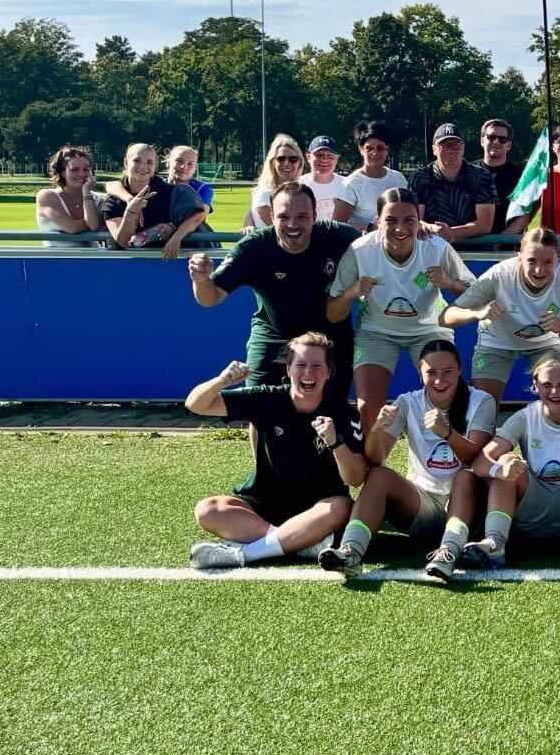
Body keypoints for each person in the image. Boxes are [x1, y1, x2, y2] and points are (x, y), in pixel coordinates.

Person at [183, 333, 366, 570]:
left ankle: (246, 554)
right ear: (288, 369)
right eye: (300, 365)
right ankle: (300, 543)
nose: (308, 373)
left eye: (317, 366)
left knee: (341, 507)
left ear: (329, 372)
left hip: (317, 509)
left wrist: (335, 442)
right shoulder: (267, 398)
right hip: (264, 506)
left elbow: (356, 478)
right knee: (207, 510)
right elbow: (195, 404)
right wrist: (221, 380)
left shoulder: (343, 412)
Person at [319, 341, 496, 583]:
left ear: (460, 370)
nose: (439, 380)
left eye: (447, 372)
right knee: (378, 476)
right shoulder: (407, 402)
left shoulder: (482, 401)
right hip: (421, 504)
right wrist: (378, 429)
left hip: (468, 507)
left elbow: (476, 458)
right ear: (420, 374)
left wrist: (447, 433)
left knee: (466, 476)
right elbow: (376, 460)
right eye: (431, 373)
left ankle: (449, 552)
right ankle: (351, 551)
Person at [188, 181, 360, 395]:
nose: (293, 225)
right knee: (258, 403)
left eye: (302, 217)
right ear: (271, 217)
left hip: (328, 336)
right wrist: (201, 279)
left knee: (332, 408)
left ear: (315, 216)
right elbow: (210, 298)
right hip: (273, 332)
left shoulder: (340, 237)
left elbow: (380, 247)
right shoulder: (254, 248)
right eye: (284, 217)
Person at [325, 189, 476, 429]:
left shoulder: (436, 248)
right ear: (378, 222)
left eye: (409, 220)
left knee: (446, 402)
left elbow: (475, 297)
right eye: (391, 220)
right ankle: (373, 465)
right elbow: (333, 313)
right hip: (376, 331)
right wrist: (352, 292)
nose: (400, 229)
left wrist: (450, 283)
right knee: (367, 408)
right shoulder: (360, 250)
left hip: (429, 329)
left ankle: (446, 464)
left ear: (419, 222)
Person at [462, 353, 560, 577]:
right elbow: (481, 462)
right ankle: (495, 542)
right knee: (506, 461)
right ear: (535, 386)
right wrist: (500, 470)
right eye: (547, 385)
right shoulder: (525, 416)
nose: (555, 391)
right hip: (529, 511)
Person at [440, 228, 560, 408]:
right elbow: (446, 317)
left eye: (548, 262)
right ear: (519, 256)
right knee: (483, 410)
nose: (539, 270)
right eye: (531, 261)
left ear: (559, 261)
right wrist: (477, 313)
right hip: (496, 342)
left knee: (558, 402)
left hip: (547, 344)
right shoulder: (499, 275)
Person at [98, 142, 209, 259]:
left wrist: (173, 227)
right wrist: (130, 212)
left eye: (149, 162)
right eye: (137, 161)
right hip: (131, 267)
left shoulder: (172, 192)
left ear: (155, 165)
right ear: (126, 162)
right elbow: (123, 241)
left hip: (171, 262)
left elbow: (197, 216)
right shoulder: (114, 200)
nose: (143, 166)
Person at [407, 123, 496, 242]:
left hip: (473, 250)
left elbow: (485, 225)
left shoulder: (481, 177)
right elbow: (414, 219)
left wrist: (452, 232)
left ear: (463, 148)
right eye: (444, 145)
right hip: (431, 247)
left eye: (456, 145)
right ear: (434, 149)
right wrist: (432, 228)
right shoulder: (419, 178)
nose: (450, 150)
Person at [333, 119, 409, 230]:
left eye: (380, 148)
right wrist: (370, 228)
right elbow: (337, 225)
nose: (375, 153)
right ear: (361, 150)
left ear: (387, 150)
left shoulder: (398, 179)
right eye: (369, 148)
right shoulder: (351, 184)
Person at [35, 144, 103, 247]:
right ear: (62, 172)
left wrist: (86, 193)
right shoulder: (47, 196)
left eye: (86, 169)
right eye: (74, 170)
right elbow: (72, 227)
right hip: (58, 259)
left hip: (93, 258)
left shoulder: (97, 198)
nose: (81, 174)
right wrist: (94, 224)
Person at [478, 118, 531, 236]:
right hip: (470, 245)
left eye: (502, 139)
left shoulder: (521, 177)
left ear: (509, 145)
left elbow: (525, 213)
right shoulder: (467, 172)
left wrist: (502, 239)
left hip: (508, 246)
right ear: (482, 140)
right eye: (491, 137)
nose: (496, 142)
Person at [249, 134, 305, 227]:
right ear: (273, 163)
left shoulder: (302, 190)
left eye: (293, 159)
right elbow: (283, 230)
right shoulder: (265, 195)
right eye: (281, 159)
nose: (287, 163)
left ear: (299, 163)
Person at [302, 136, 346, 219]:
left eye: (330, 156)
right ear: (308, 157)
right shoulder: (298, 185)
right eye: (319, 155)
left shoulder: (347, 184)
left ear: (336, 159)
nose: (324, 160)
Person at [167, 145, 215, 213]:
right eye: (179, 161)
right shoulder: (156, 185)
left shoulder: (201, 188)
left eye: (190, 164)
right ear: (168, 163)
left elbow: (199, 216)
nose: (184, 166)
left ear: (195, 168)